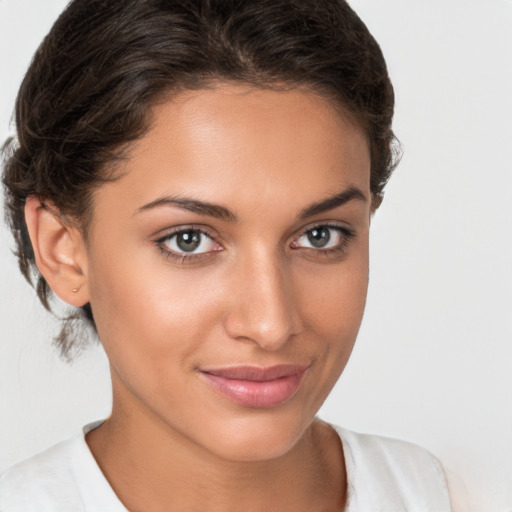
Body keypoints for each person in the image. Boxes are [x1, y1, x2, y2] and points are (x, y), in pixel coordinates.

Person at [0, 0, 453, 510]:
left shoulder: (463, 494)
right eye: (188, 240)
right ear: (64, 250)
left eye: (321, 235)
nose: (270, 324)